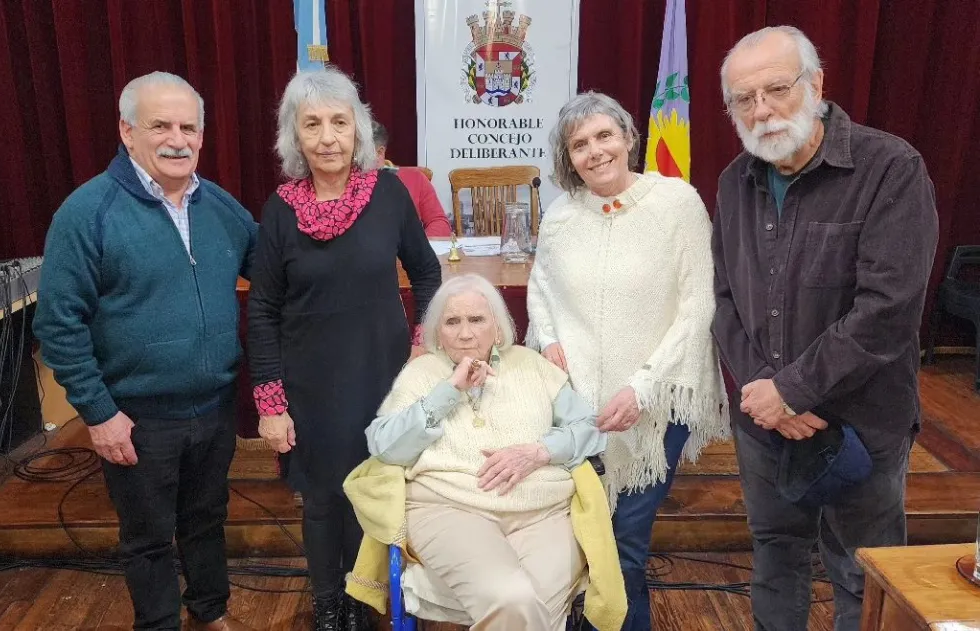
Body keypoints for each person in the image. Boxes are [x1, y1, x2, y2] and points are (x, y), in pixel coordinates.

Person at [712, 26, 938, 631]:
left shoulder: (890, 168)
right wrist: (769, 395)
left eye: (777, 89)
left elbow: (888, 309)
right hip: (765, 422)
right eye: (743, 99)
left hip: (861, 422)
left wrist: (791, 390)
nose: (762, 110)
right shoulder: (734, 181)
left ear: (816, 84)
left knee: (861, 575)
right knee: (774, 557)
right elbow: (724, 299)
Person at [33, 72, 257, 631]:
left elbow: (279, 273)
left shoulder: (221, 208)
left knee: (206, 520)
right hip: (135, 419)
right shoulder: (87, 213)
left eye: (189, 127)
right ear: (127, 131)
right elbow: (57, 325)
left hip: (214, 406)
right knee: (148, 539)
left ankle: (210, 612)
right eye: (160, 126)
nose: (177, 140)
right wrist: (99, 413)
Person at [526, 91, 729, 631]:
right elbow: (540, 290)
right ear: (569, 158)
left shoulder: (676, 203)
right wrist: (548, 340)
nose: (595, 151)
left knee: (624, 546)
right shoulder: (562, 216)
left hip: (656, 403)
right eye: (580, 144)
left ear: (628, 137)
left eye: (604, 136)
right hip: (578, 411)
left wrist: (642, 387)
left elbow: (699, 306)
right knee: (581, 541)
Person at [247, 66, 441, 631]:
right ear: (295, 135)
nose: (328, 137)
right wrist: (271, 404)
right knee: (322, 499)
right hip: (309, 386)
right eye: (312, 124)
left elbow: (428, 274)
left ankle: (363, 603)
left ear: (358, 129)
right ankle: (328, 605)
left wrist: (422, 346)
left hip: (383, 378)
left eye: (340, 122)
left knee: (372, 492)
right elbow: (261, 310)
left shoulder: (389, 193)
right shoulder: (280, 210)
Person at [362, 274, 612, 630]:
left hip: (543, 511)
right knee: (514, 600)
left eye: (477, 319)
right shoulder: (421, 373)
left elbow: (590, 429)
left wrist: (540, 452)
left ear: (498, 328)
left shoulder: (533, 366)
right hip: (450, 509)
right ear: (437, 333)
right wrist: (448, 391)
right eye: (452, 322)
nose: (465, 333)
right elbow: (385, 446)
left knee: (535, 606)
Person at [371, 120, 452, 237]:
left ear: (379, 152)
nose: (353, 158)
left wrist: (419, 245)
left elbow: (439, 222)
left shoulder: (415, 178)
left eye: (358, 152)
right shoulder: (345, 180)